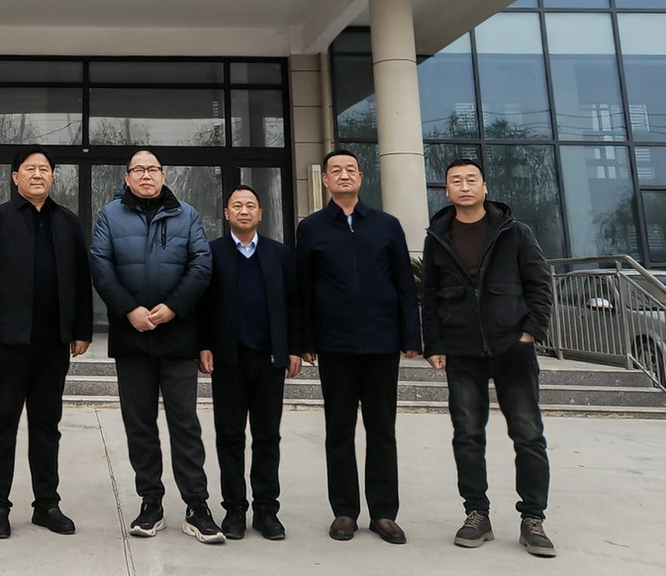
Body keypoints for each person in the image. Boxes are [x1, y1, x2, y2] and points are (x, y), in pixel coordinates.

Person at [421, 159, 556, 557]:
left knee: (528, 435)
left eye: (471, 180)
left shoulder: (514, 232)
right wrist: (435, 344)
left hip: (513, 346)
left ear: (484, 187)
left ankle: (533, 518)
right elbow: (429, 295)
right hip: (462, 349)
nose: (464, 186)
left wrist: (530, 333)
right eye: (456, 181)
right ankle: (476, 513)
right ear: (446, 190)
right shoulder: (437, 236)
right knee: (467, 434)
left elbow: (539, 283)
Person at [90, 149, 221, 544]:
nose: (146, 175)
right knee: (140, 425)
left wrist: (174, 307)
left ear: (163, 175)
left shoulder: (187, 214)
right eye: (139, 169)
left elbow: (202, 264)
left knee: (185, 424)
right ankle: (151, 502)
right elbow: (101, 265)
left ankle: (197, 505)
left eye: (153, 169)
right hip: (131, 337)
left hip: (178, 337)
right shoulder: (109, 216)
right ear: (127, 177)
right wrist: (129, 309)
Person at [295, 149, 420, 545]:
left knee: (382, 429)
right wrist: (306, 339)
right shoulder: (312, 228)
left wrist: (410, 336)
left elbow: (404, 283)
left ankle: (383, 513)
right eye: (336, 170)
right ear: (325, 180)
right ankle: (345, 511)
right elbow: (303, 288)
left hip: (382, 342)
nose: (344, 175)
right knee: (339, 430)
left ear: (361, 177)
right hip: (335, 344)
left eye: (350, 169)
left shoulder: (386, 225)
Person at [0, 146, 93, 540]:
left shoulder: (67, 221)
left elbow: (81, 277)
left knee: (46, 425)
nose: (38, 175)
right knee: (2, 424)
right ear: (15, 177)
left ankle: (46, 505)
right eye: (30, 169)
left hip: (53, 342)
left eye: (44, 169)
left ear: (52, 177)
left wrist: (82, 330)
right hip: (9, 343)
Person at [198, 185, 301, 541]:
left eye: (250, 205)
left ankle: (266, 510)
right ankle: (234, 509)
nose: (244, 211)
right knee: (229, 436)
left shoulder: (279, 254)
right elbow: (202, 305)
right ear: (226, 213)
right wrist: (204, 345)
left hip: (269, 360)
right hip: (228, 360)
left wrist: (293, 348)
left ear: (260, 214)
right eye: (237, 206)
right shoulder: (212, 253)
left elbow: (293, 303)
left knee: (267, 436)